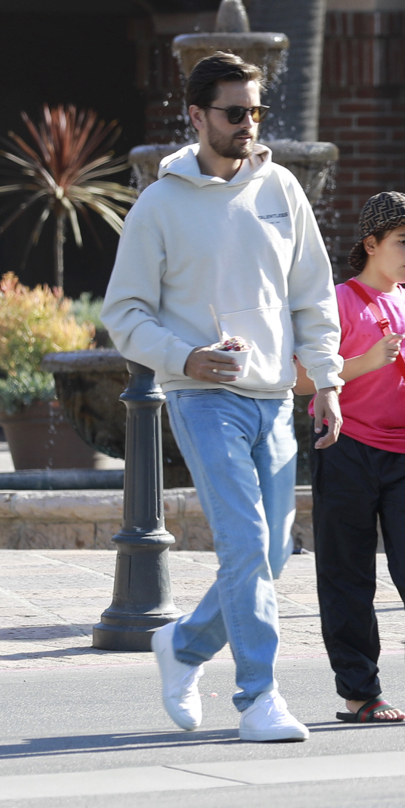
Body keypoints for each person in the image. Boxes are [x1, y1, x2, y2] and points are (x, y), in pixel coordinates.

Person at [101, 51, 344, 743]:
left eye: (255, 112)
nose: (248, 125)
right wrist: (185, 357)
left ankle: (182, 646)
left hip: (274, 400)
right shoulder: (159, 203)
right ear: (196, 116)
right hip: (201, 398)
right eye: (234, 112)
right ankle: (258, 696)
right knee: (243, 546)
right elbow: (124, 313)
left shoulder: (282, 192)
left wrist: (325, 378)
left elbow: (311, 295)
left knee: (270, 556)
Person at [303, 191, 405, 724]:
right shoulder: (335, 301)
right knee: (347, 576)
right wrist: (365, 360)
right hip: (345, 448)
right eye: (403, 242)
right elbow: (304, 378)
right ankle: (360, 694)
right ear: (370, 244)